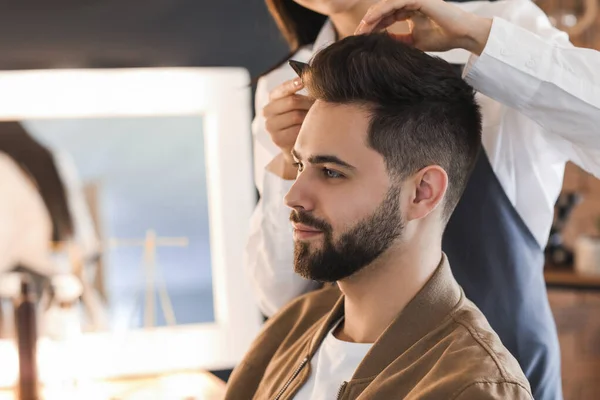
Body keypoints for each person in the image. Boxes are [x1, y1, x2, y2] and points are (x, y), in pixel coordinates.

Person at [245, 0, 600, 398]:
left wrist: (477, 36)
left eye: (331, 171)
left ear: (425, 190)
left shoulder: (502, 26)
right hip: (337, 366)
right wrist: (288, 158)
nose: (298, 192)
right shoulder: (283, 86)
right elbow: (281, 292)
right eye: (302, 167)